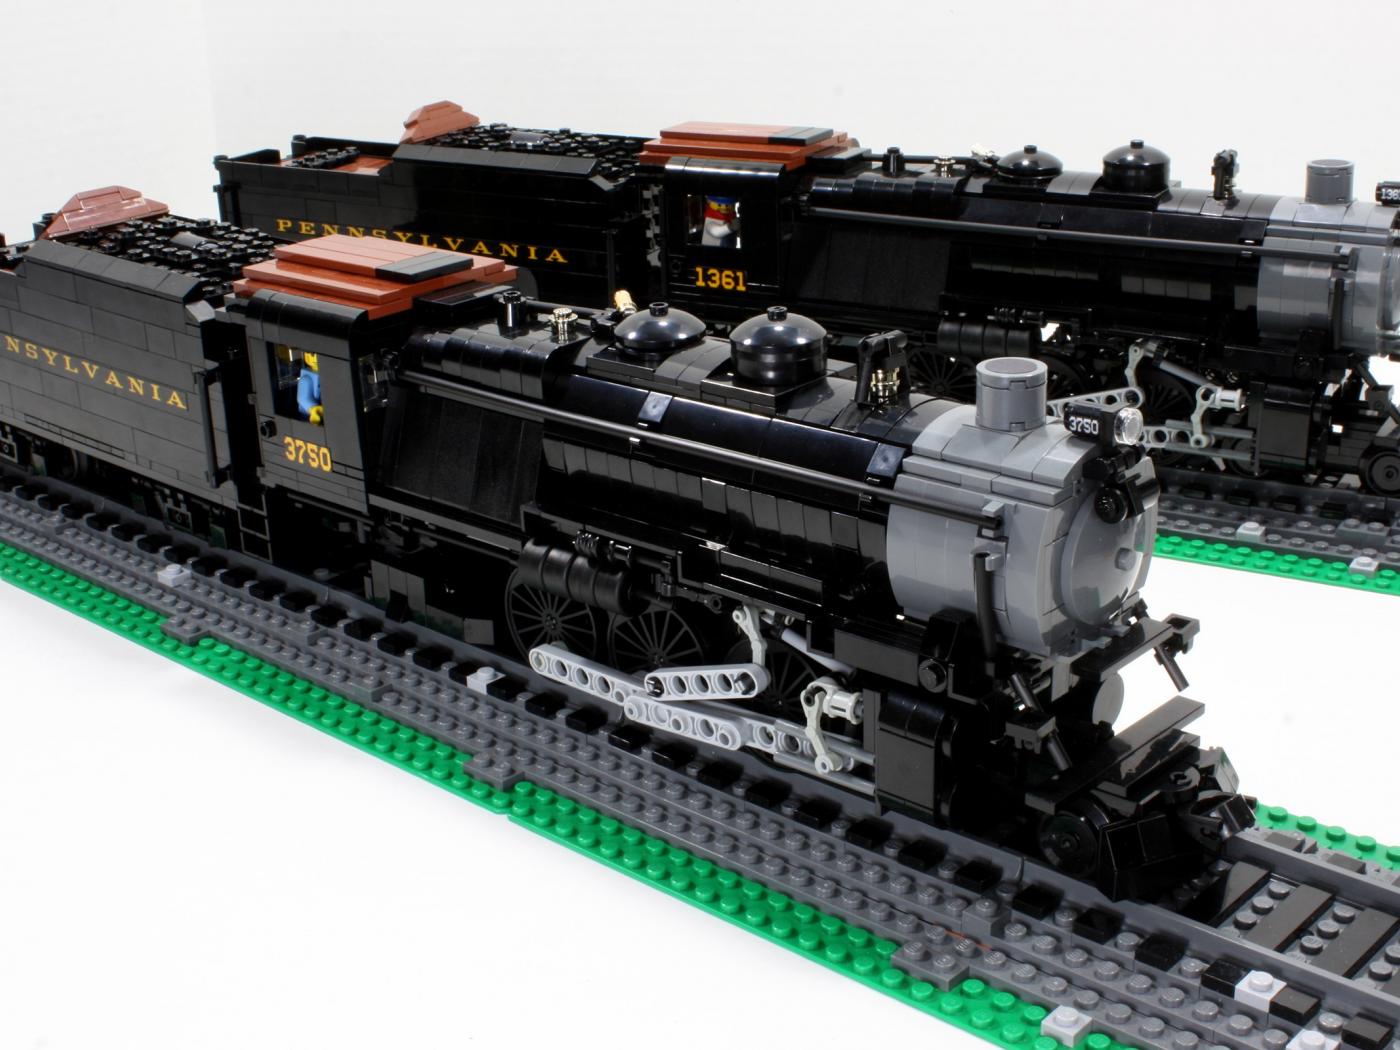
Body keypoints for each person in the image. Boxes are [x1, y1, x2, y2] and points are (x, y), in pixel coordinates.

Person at [297, 352, 324, 425]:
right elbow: (302, 398)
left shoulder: (328, 374)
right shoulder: (306, 378)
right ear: (307, 358)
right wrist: (313, 408)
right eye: (313, 355)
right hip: (308, 415)